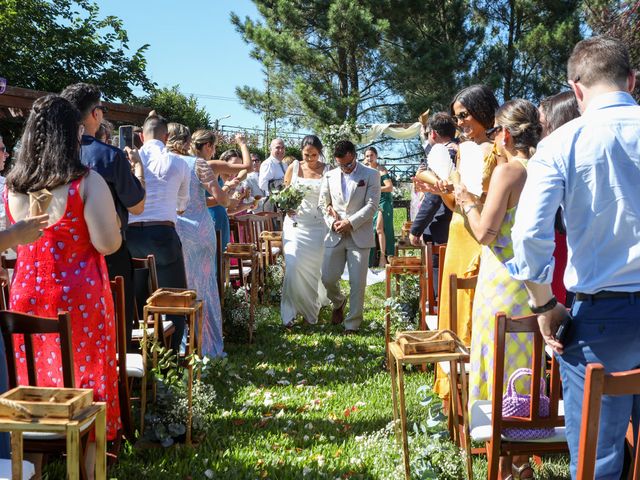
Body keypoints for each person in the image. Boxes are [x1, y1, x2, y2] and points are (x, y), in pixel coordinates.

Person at [507, 36, 640, 479]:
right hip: (609, 314)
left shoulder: (563, 142)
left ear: (576, 89)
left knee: (598, 457)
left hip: (603, 317)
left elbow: (528, 233)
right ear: (632, 81)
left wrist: (543, 304)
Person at [5, 95, 122, 465]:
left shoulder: (13, 188)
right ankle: (88, 468)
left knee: (34, 384)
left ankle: (34, 466)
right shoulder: (86, 183)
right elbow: (107, 243)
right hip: (79, 300)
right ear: (71, 135)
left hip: (25, 296)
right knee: (89, 387)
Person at [455, 99, 543, 480]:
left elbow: (485, 233)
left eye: (494, 133)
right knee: (525, 359)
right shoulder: (543, 168)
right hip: (536, 278)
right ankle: (520, 461)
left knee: (497, 356)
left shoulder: (509, 172)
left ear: (505, 134)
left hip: (502, 278)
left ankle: (504, 461)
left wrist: (464, 201)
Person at [421, 85, 499, 400]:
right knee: (455, 306)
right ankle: (454, 391)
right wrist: (442, 190)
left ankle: (485, 388)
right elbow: (457, 204)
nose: (461, 123)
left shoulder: (500, 148)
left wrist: (456, 192)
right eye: (457, 118)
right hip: (459, 231)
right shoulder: (465, 150)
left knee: (480, 308)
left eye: (464, 115)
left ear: (483, 110)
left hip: (486, 234)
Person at [61, 82, 145, 350]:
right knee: (117, 323)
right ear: (95, 113)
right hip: (108, 251)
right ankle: (120, 383)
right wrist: (138, 172)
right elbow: (137, 206)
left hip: (62, 252)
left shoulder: (52, 155)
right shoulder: (110, 156)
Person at [126, 111, 190, 354]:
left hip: (131, 237)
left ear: (141, 136)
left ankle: (140, 356)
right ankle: (171, 356)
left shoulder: (129, 160)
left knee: (137, 301)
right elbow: (181, 205)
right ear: (166, 136)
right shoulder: (178, 162)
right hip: (163, 234)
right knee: (174, 298)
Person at [168, 123, 227, 358]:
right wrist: (230, 196)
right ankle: (206, 345)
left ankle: (181, 345)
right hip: (200, 233)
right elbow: (220, 198)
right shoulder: (197, 164)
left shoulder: (163, 164)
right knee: (204, 287)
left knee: (178, 287)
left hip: (175, 230)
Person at [319, 140, 381, 333]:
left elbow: (371, 206)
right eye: (340, 164)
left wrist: (350, 223)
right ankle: (338, 302)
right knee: (327, 278)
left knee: (357, 281)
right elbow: (323, 204)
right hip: (335, 233)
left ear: (354, 155)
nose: (344, 168)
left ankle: (352, 324)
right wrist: (333, 222)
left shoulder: (371, 174)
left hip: (359, 234)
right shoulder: (329, 175)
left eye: (347, 163)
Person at [281, 135, 330, 327]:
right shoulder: (294, 167)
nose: (310, 158)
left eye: (314, 155)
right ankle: (289, 313)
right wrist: (286, 206)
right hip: (295, 224)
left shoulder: (327, 170)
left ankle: (310, 310)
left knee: (312, 270)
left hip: (318, 226)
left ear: (320, 152)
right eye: (306, 154)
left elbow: (332, 197)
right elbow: (284, 192)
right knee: (293, 266)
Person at [538, 91, 580, 306]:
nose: (539, 135)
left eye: (542, 127)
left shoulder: (553, 157)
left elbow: (530, 234)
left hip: (564, 255)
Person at [199, 135, 252, 254]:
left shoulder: (194, 165)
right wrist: (242, 143)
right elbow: (248, 167)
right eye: (234, 166)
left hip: (219, 218)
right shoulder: (212, 166)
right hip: (213, 219)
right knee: (216, 259)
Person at [364, 147, 394, 267]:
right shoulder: (364, 170)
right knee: (371, 230)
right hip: (370, 202)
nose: (369, 158)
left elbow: (389, 187)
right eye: (367, 156)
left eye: (371, 155)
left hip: (383, 201)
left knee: (379, 228)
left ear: (376, 156)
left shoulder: (381, 169)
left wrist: (374, 189)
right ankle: (371, 260)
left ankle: (383, 258)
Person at [258, 138, 286, 210]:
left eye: (283, 147)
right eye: (277, 147)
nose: (281, 150)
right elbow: (262, 184)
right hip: (273, 204)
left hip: (284, 203)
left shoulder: (284, 164)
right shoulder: (268, 164)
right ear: (271, 149)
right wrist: (281, 184)